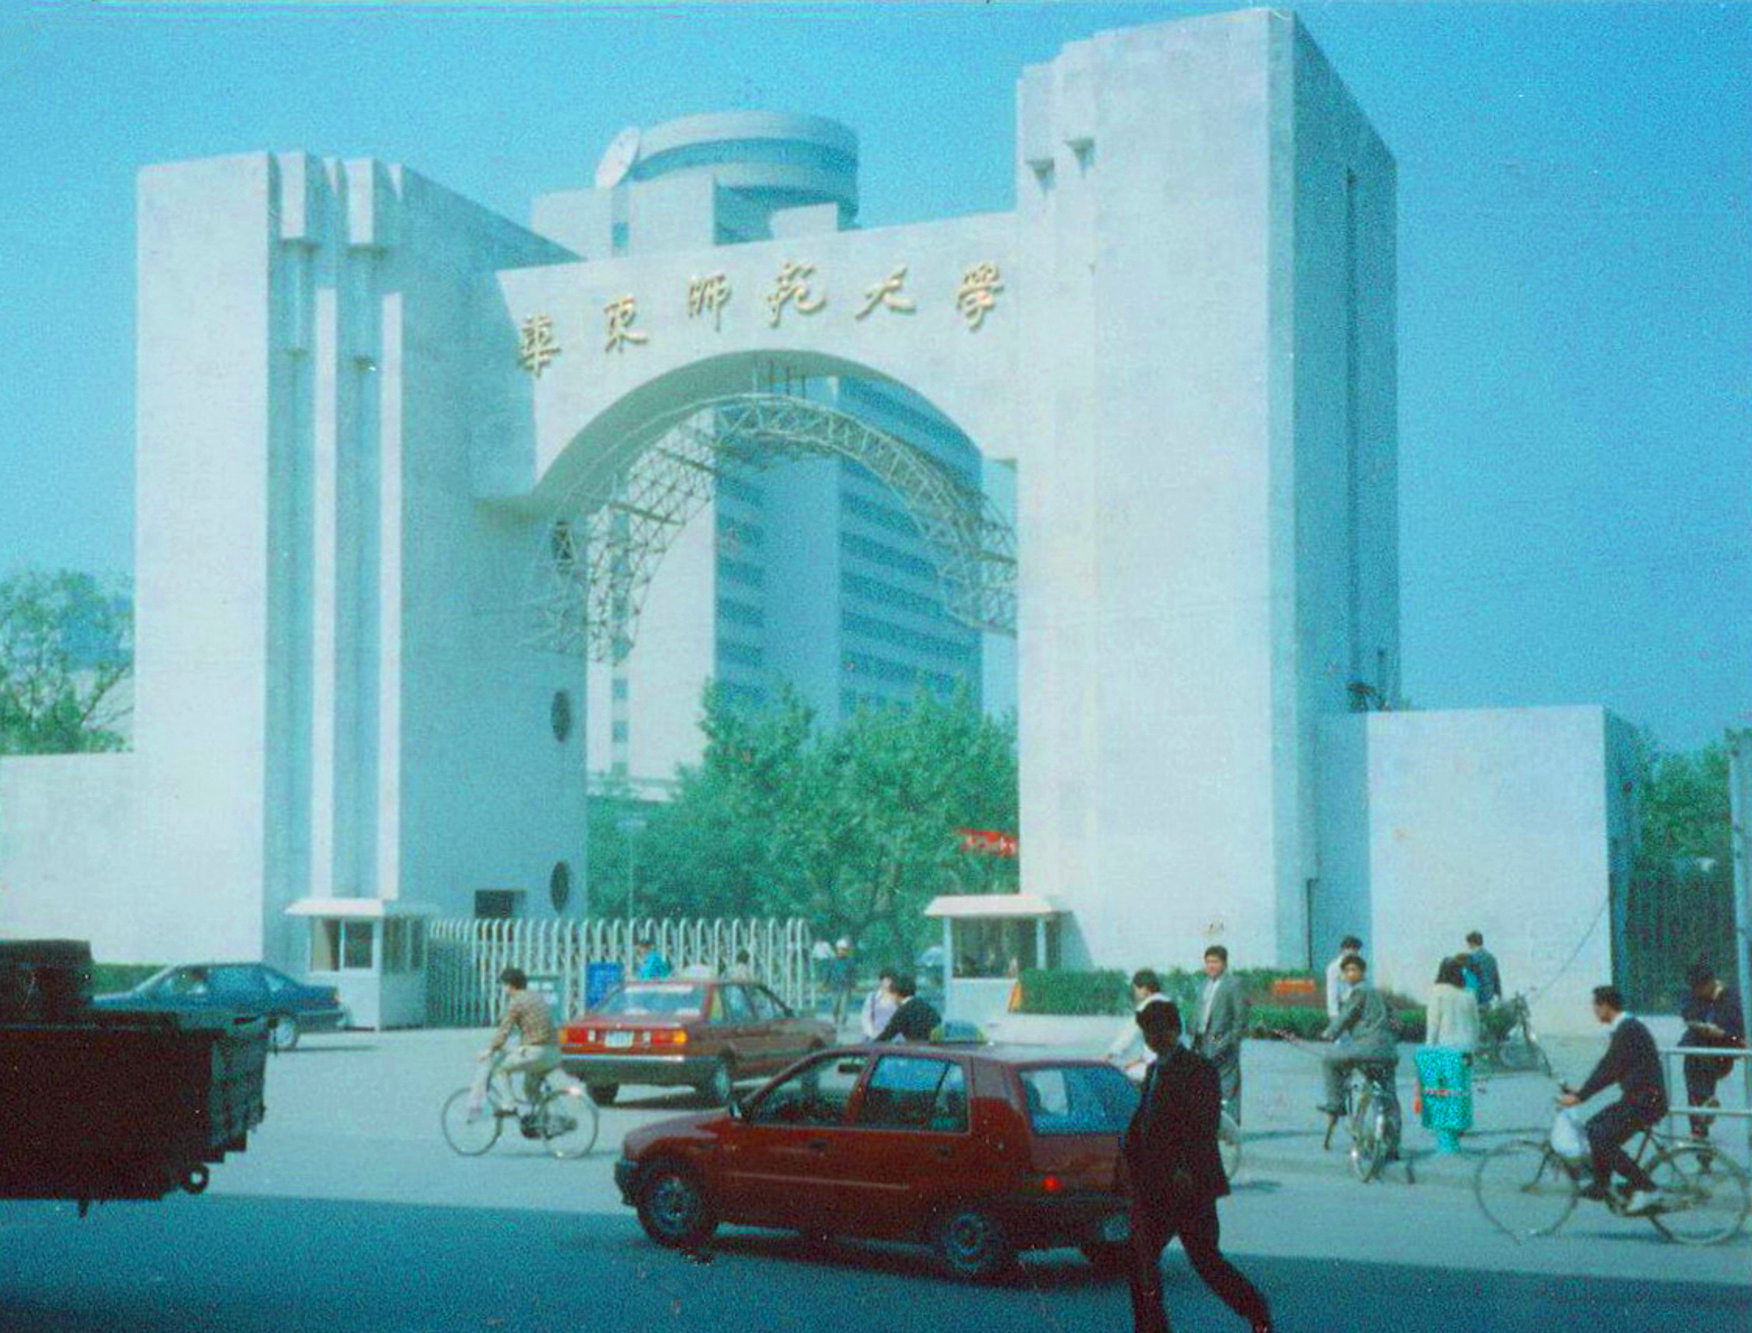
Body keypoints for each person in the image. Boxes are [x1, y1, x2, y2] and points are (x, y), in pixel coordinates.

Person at [1121, 999, 1272, 1333]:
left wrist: (1184, 1168)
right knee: (1139, 1259)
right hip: (1157, 1186)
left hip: (1188, 1186)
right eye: (1147, 1033)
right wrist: (1127, 1154)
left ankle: (1256, 1310)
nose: (1151, 1039)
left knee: (1206, 1261)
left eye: (1156, 1031)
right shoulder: (1154, 1070)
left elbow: (1202, 1126)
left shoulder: (1198, 1070)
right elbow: (1145, 1121)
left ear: (1174, 1031)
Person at [1558, 984, 1667, 1215]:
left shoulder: (1628, 1030)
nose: (1594, 1011)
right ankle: (1602, 1183)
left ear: (1606, 1006)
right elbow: (1610, 1067)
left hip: (1646, 1101)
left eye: (1595, 1006)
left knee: (1600, 1136)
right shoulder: (1626, 1028)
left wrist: (1580, 1096)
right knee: (1594, 1128)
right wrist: (1582, 1091)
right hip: (1640, 1098)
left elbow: (1609, 1069)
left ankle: (1647, 1188)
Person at [1318, 954, 1401, 1157]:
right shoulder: (1381, 995)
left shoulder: (1359, 992)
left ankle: (1335, 1105)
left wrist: (1329, 1033)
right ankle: (1392, 1145)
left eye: (1354, 970)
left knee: (1329, 1060)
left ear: (1363, 973)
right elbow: (1398, 1023)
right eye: (1347, 970)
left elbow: (1345, 1017)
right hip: (1388, 1052)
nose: (1350, 974)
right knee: (1389, 1097)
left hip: (1366, 1048)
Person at [468, 967, 561, 1121]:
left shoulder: (516, 1002)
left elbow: (504, 1031)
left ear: (510, 985)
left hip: (536, 1053)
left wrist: (490, 1049)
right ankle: (544, 1121)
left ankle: (509, 1104)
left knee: (499, 1069)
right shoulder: (536, 997)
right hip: (554, 1053)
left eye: (504, 985)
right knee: (530, 1087)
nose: (503, 989)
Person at [1679, 963, 1744, 1141]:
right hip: (1698, 1046)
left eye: (1700, 988)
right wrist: (1699, 1024)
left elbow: (1738, 1030)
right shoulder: (1694, 997)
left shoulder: (1730, 997)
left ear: (1711, 983)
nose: (1697, 992)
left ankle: (1704, 1104)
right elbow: (1687, 1012)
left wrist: (1722, 1033)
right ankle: (1699, 1123)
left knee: (1702, 1064)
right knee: (1693, 1068)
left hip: (1723, 1047)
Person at [1191, 945, 1248, 1122]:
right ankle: (1209, 1124)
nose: (1211, 966)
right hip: (1202, 1039)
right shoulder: (1204, 984)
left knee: (1227, 1083)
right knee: (1203, 1083)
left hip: (1220, 1038)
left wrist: (1228, 1041)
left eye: (1215, 962)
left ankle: (1231, 1124)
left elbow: (1241, 1019)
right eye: (1208, 962)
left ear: (1224, 963)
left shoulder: (1233, 984)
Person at [1107, 969, 1171, 1081]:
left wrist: (1107, 1056)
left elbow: (1125, 1040)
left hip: (1156, 1069)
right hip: (1175, 1066)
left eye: (1136, 990)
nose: (1135, 994)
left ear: (1145, 989)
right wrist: (1139, 1059)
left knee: (1121, 1076)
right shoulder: (1171, 1004)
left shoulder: (1145, 1008)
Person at [1425, 956, 1481, 1053]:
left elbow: (1434, 1023)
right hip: (1467, 1046)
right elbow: (1476, 1024)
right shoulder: (1469, 994)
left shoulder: (1437, 992)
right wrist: (1474, 1045)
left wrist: (1429, 1047)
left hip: (1446, 1046)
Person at [875, 974, 940, 1043]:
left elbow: (887, 1034)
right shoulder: (927, 1007)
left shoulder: (903, 1011)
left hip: (915, 1047)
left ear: (896, 993)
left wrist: (872, 1044)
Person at [1325, 936, 1363, 1019]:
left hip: (1358, 1007)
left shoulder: (1359, 966)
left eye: (1355, 949)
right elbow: (1332, 992)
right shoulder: (1334, 968)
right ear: (1343, 950)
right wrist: (1333, 1014)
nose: (1352, 952)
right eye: (1349, 949)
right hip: (1342, 1006)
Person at [824, 938, 858, 1026]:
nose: (842, 952)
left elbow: (852, 974)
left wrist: (853, 985)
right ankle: (835, 1018)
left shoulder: (849, 962)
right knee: (835, 1006)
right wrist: (825, 984)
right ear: (837, 950)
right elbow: (828, 972)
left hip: (845, 986)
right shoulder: (833, 961)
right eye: (840, 949)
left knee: (844, 1005)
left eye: (844, 950)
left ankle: (843, 1021)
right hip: (835, 986)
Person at [860, 967, 899, 1041]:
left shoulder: (898, 998)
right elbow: (866, 1017)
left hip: (894, 1038)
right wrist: (871, 1034)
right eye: (887, 980)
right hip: (874, 1036)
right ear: (881, 980)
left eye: (892, 980)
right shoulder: (872, 997)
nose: (889, 983)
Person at [1464, 931, 1501, 1008]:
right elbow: (1496, 978)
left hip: (1477, 996)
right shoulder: (1491, 958)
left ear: (1471, 943)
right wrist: (1499, 994)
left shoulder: (1471, 958)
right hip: (1489, 994)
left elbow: (1470, 980)